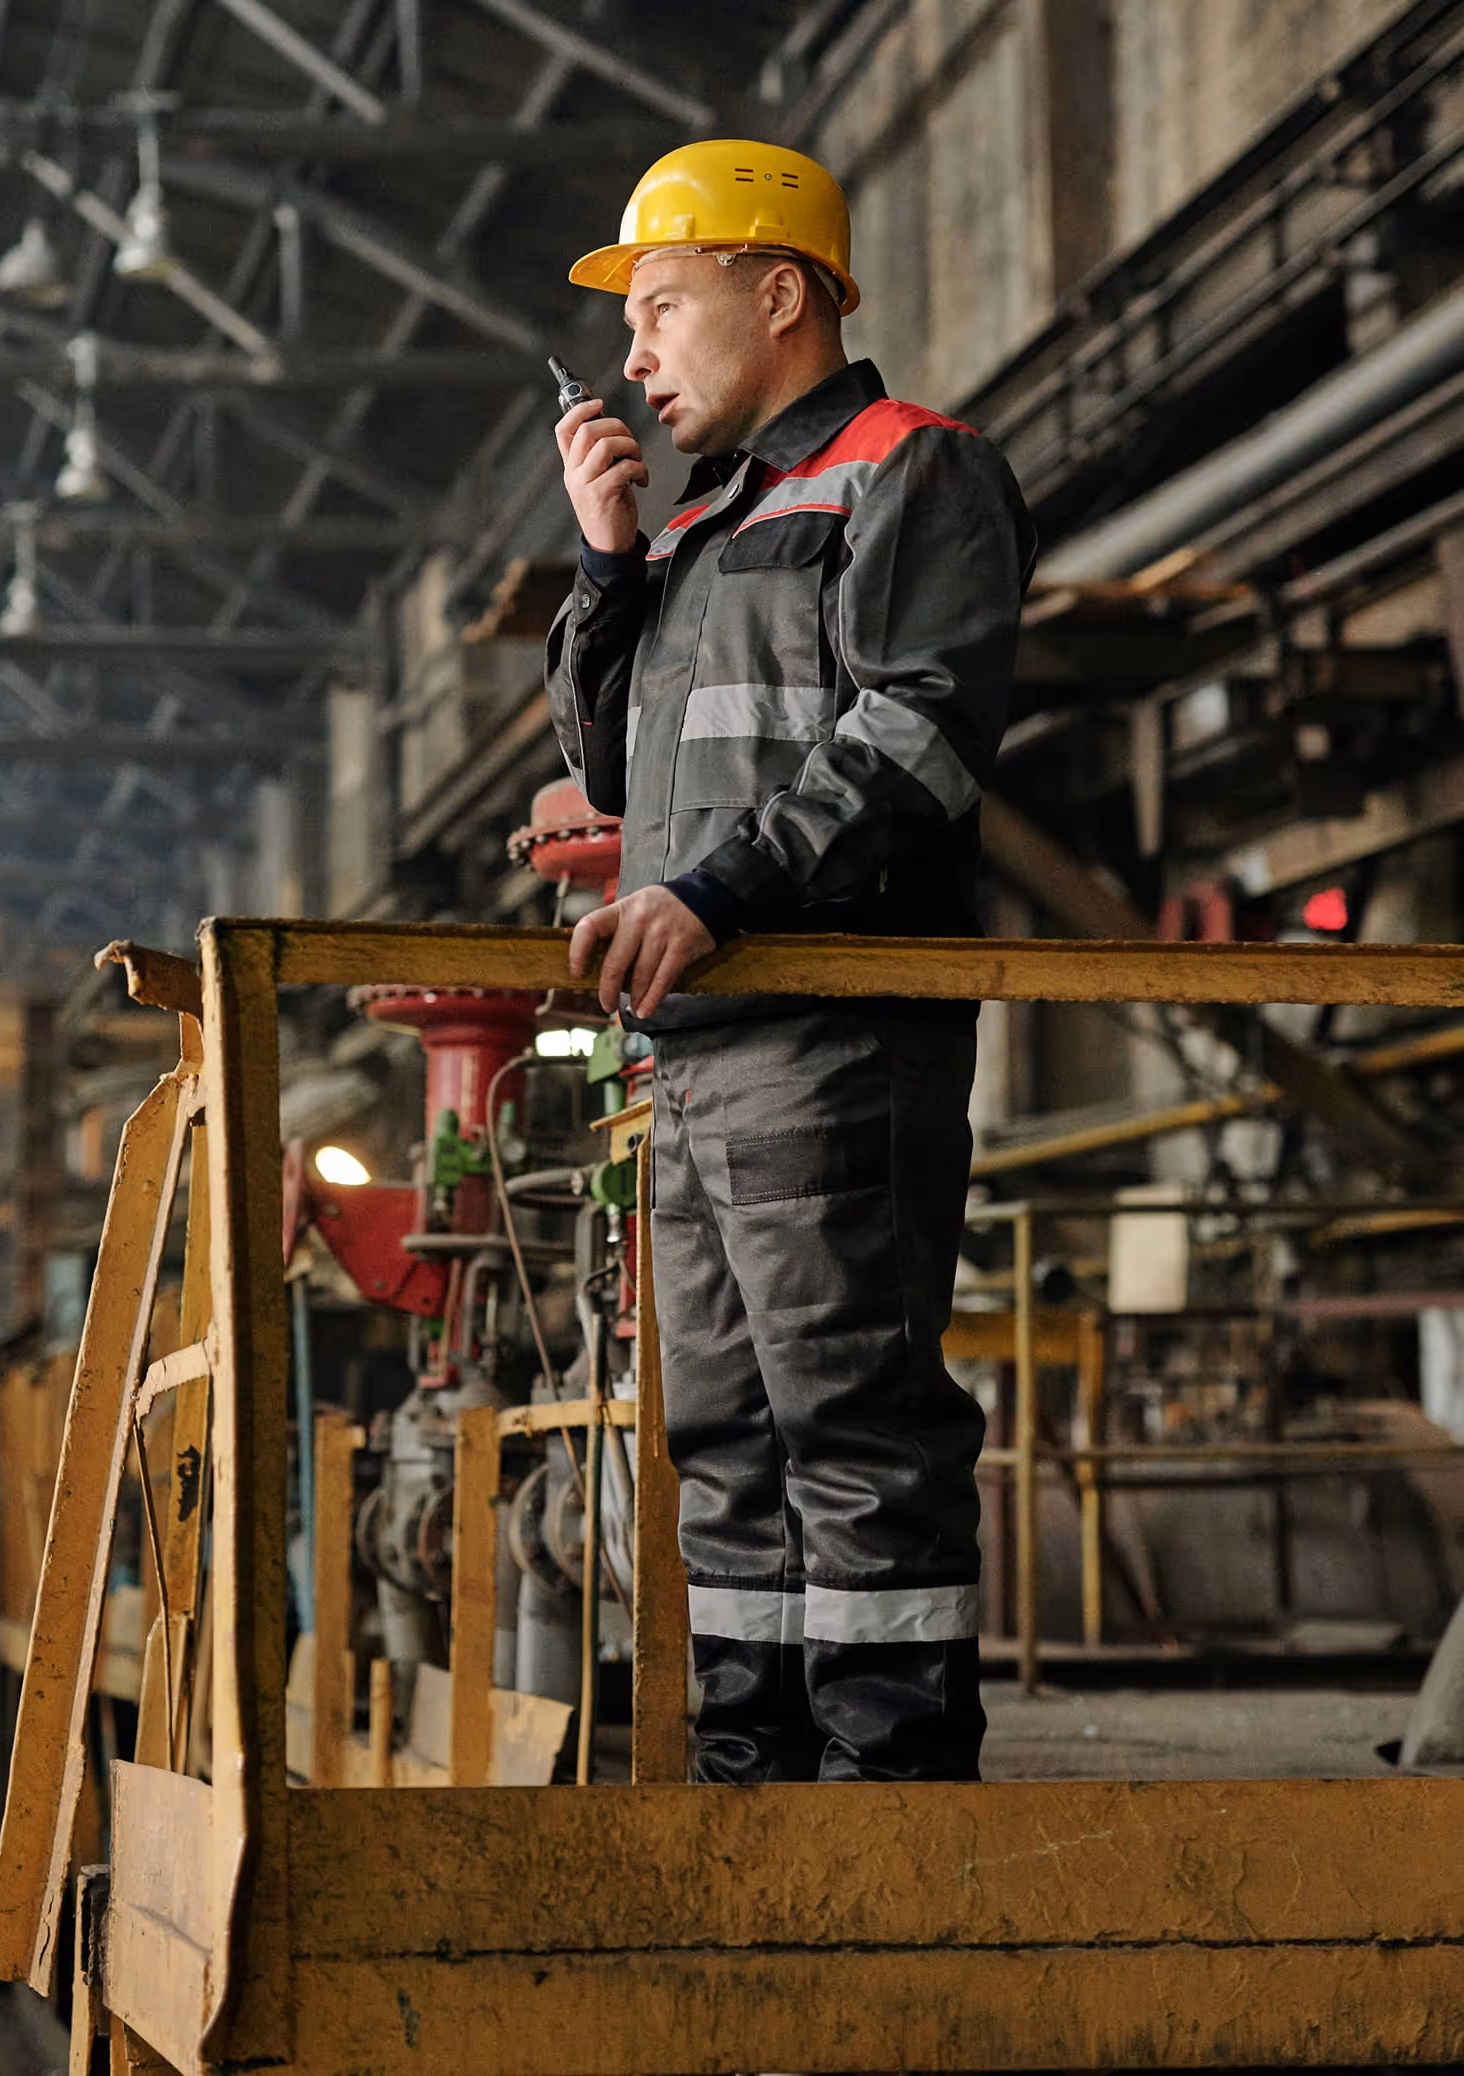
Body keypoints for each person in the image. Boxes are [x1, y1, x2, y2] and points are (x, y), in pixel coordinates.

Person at [544, 139, 1036, 1784]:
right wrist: (610, 559)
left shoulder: (913, 468)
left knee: (850, 1423)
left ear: (781, 294)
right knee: (728, 1444)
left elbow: (919, 731)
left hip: (834, 1034)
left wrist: (719, 893)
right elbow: (615, 778)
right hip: (701, 1049)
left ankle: (889, 1818)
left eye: (662, 306)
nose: (634, 354)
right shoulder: (703, 529)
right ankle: (756, 1807)